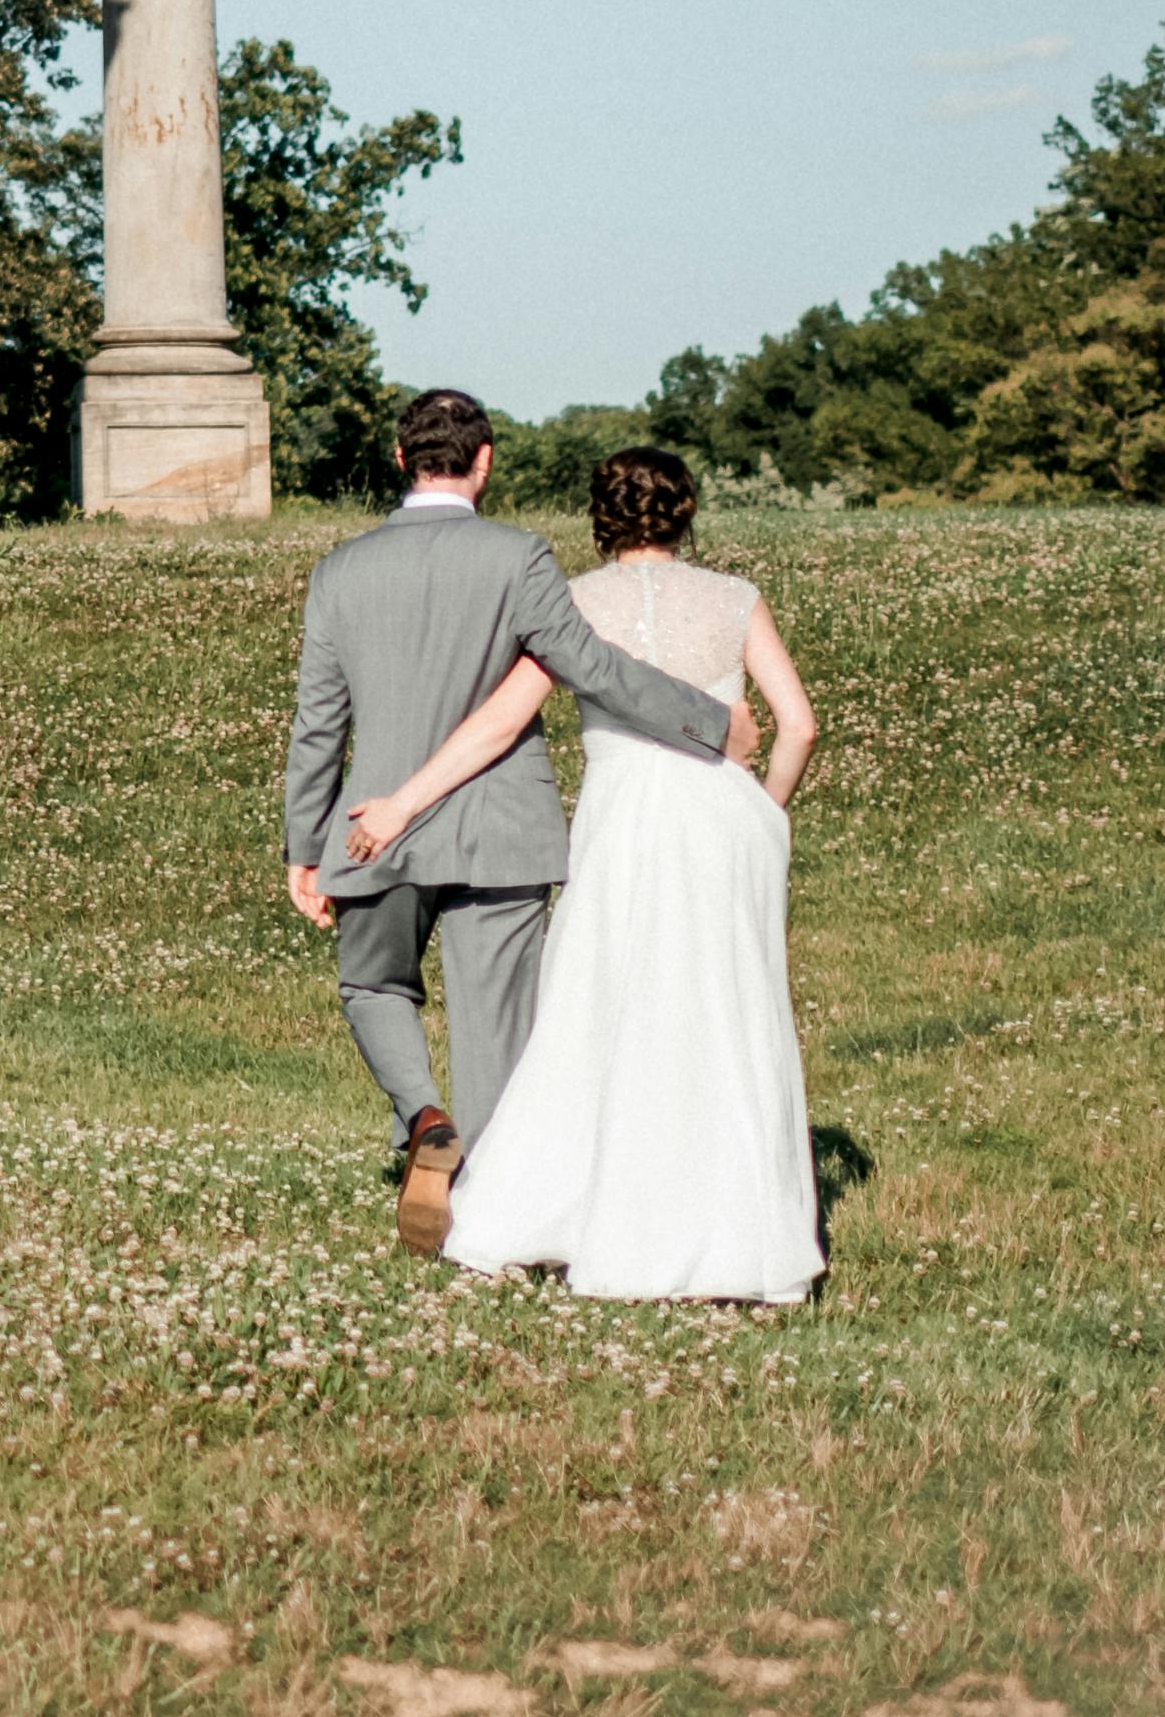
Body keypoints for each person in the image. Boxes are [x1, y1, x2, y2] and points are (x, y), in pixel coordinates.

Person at [341, 442, 824, 1301]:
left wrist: (400, 804)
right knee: (723, 1008)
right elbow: (797, 725)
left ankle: (586, 1208)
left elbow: (494, 725)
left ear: (599, 516)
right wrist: (765, 816)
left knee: (605, 1007)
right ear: (684, 510)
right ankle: (732, 1226)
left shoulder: (573, 604)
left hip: (624, 823)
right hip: (723, 817)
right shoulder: (734, 599)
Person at [281, 388, 742, 1254]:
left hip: (370, 825)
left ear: (398, 457)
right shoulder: (518, 556)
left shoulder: (339, 569)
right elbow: (591, 666)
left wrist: (304, 845)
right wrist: (708, 720)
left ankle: (422, 1115)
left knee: (372, 986)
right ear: (483, 459)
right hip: (501, 824)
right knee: (496, 1026)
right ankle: (488, 1211)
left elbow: (318, 720)